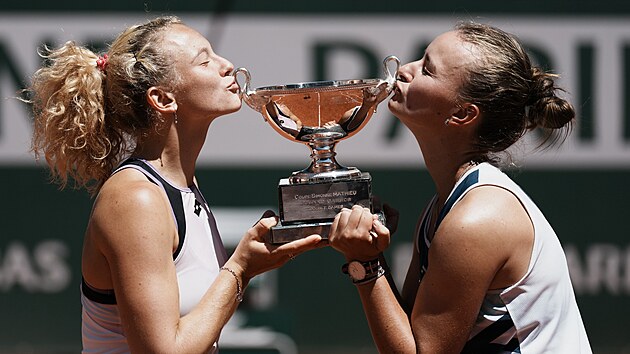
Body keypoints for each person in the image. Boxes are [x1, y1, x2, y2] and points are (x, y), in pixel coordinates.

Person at [28, 16, 323, 353]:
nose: (227, 66)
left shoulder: (183, 184)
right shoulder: (136, 198)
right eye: (205, 60)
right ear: (163, 99)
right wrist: (241, 270)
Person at [328, 22, 592, 353]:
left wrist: (364, 263)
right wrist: (369, 258)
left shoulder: (475, 219)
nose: (405, 70)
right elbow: (408, 336)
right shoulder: (445, 207)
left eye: (427, 69)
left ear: (462, 114)